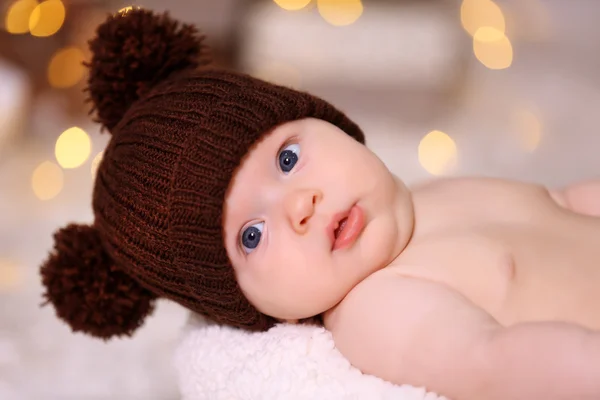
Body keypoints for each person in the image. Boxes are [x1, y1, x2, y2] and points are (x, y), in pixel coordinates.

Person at [40, 8, 600, 400]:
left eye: (286, 160)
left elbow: (567, 203)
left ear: (328, 122)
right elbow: (493, 366)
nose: (299, 207)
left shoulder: (442, 192)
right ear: (250, 307)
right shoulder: (378, 308)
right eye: (251, 235)